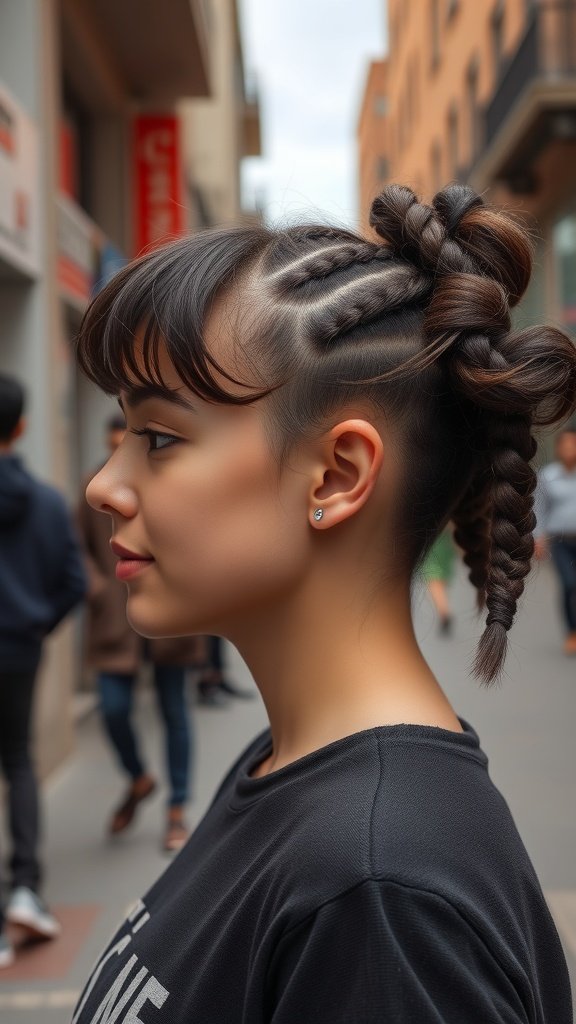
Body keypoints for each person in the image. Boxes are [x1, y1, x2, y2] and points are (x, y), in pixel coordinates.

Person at [71, 185, 575, 1022]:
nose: (103, 486)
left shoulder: (382, 893)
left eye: (159, 438)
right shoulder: (291, 770)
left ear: (339, 475)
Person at [77, 415, 201, 853]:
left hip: (168, 615)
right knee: (112, 708)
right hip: (114, 619)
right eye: (114, 446)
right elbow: (79, 550)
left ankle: (177, 809)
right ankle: (138, 778)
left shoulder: (169, 480)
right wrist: (96, 589)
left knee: (175, 712)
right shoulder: (95, 486)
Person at [0, 374, 86, 969]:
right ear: (22, 426)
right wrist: (35, 624)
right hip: (21, 650)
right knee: (19, 761)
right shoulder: (49, 503)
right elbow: (73, 584)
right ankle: (26, 888)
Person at [534, 426, 576, 654]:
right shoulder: (549, 476)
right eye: (565, 444)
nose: (570, 448)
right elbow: (540, 509)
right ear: (559, 448)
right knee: (569, 584)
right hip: (561, 542)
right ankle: (571, 631)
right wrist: (538, 537)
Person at [421, 527, 456, 634]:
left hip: (435, 541)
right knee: (440, 578)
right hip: (446, 539)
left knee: (433, 578)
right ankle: (444, 610)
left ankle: (444, 612)